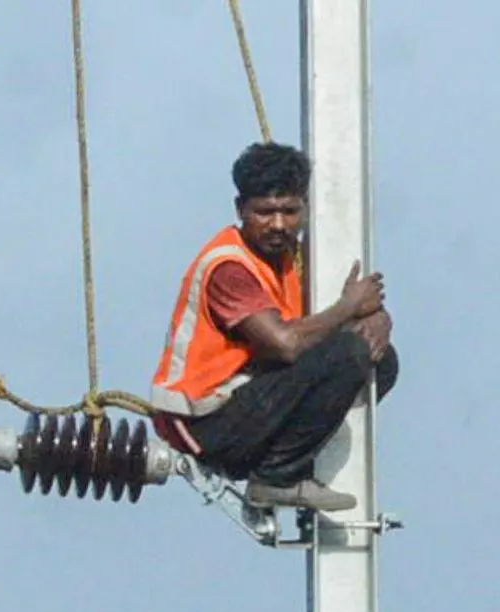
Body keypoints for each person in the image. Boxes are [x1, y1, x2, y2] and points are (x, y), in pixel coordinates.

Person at [145, 140, 396, 516]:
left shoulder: (292, 258)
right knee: (347, 352)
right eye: (264, 212)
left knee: (379, 359)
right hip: (203, 422)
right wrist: (348, 308)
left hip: (248, 401)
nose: (278, 225)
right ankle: (277, 477)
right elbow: (285, 345)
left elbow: (338, 315)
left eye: (289, 212)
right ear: (240, 210)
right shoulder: (229, 268)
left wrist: (375, 317)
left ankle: (297, 456)